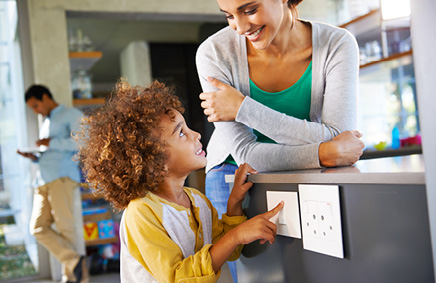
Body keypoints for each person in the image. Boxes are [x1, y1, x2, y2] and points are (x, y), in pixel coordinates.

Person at [196, 0, 365, 281]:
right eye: (229, 16)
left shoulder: (337, 44)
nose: (240, 27)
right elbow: (246, 154)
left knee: (308, 269)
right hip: (233, 174)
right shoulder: (214, 54)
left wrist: (242, 108)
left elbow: (340, 135)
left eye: (250, 10)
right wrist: (323, 153)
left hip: (302, 168)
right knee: (245, 275)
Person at [77, 80, 284, 282]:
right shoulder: (141, 213)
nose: (196, 135)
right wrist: (237, 235)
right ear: (152, 160)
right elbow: (178, 277)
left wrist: (234, 204)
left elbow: (226, 250)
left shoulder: (198, 201)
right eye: (182, 133)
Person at [17, 85, 87, 283]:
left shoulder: (70, 114)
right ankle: (74, 261)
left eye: (36, 105)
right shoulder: (46, 122)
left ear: (46, 97)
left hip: (61, 178)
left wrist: (50, 143)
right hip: (43, 178)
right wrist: (34, 156)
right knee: (37, 227)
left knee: (66, 228)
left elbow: (83, 141)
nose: (35, 111)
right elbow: (52, 150)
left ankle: (74, 278)